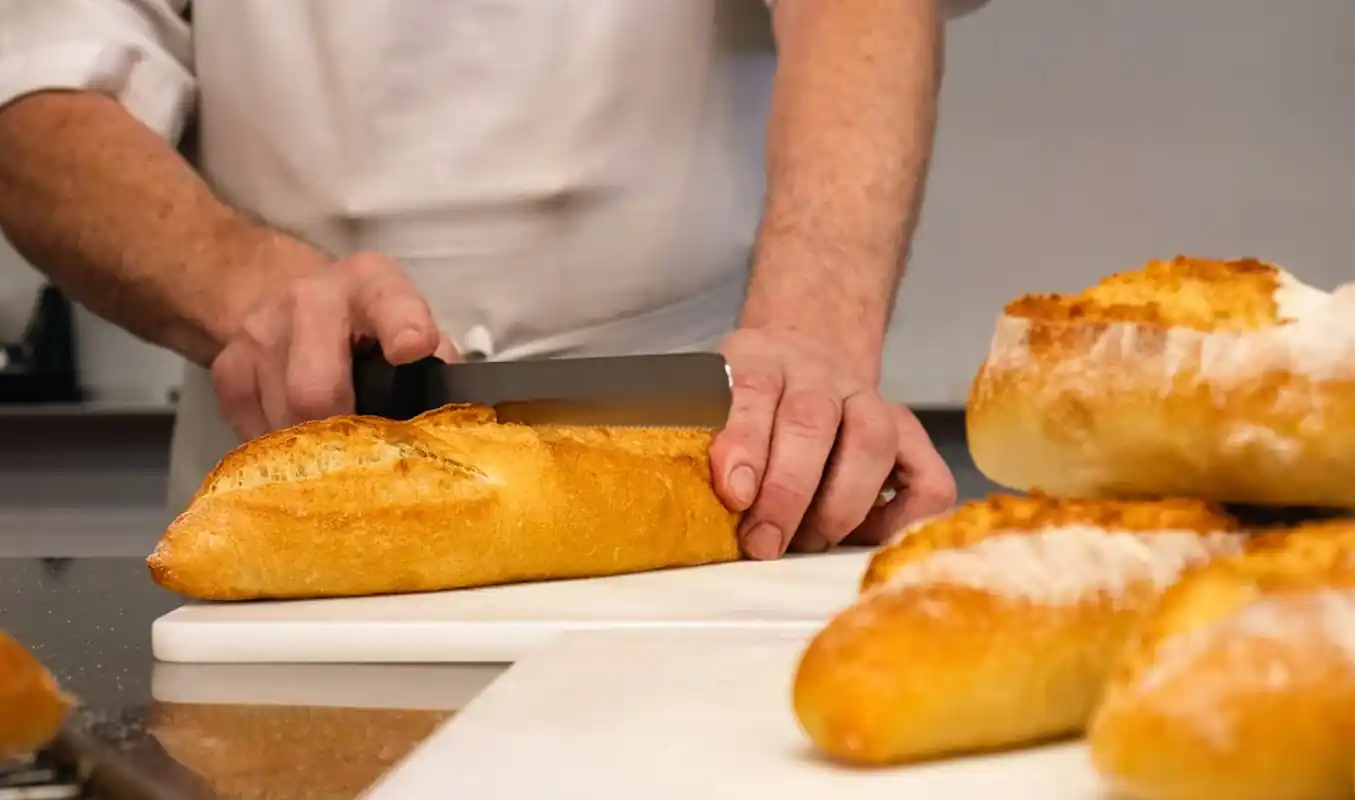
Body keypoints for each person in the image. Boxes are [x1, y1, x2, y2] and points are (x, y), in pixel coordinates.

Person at [0, 0, 982, 561]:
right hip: (301, 477)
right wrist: (238, 278)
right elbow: (33, 87)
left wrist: (808, 342)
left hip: (725, 479)